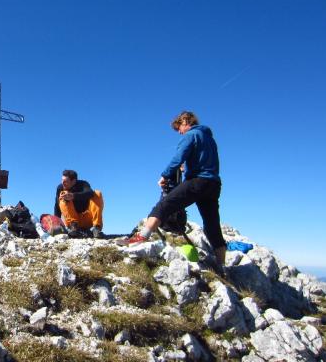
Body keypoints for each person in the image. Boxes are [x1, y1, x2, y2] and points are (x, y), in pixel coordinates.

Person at [118, 111, 226, 268]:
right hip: (213, 184)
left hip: (197, 181)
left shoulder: (191, 135)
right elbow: (204, 161)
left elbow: (178, 157)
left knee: (163, 206)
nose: (180, 132)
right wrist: (187, 169)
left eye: (179, 129)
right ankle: (222, 266)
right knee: (212, 224)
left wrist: (165, 176)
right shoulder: (209, 138)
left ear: (185, 121)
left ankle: (141, 238)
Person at [55, 169, 104, 238]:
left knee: (97, 193)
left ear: (74, 181)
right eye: (62, 180)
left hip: (88, 219)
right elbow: (57, 205)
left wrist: (73, 196)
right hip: (72, 221)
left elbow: (90, 193)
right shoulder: (60, 188)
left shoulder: (83, 184)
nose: (63, 183)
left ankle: (96, 228)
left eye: (66, 181)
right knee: (63, 195)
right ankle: (74, 228)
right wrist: (57, 222)